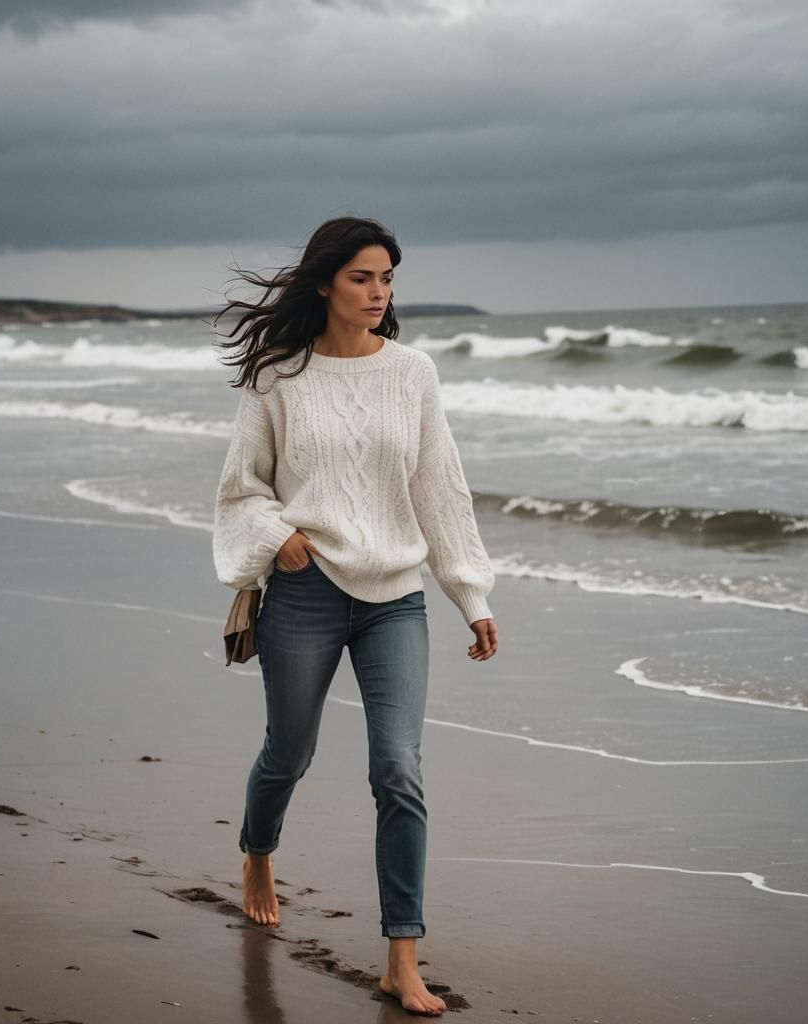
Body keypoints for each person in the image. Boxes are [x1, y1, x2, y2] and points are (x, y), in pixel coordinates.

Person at [212, 216, 498, 1017]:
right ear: (324, 283)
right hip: (304, 591)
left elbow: (439, 487)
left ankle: (402, 958)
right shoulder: (277, 377)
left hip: (395, 598)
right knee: (289, 753)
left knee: (398, 768)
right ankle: (258, 851)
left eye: (388, 279)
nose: (379, 293)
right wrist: (278, 536)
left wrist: (470, 593)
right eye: (363, 278)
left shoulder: (412, 373)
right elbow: (241, 488)